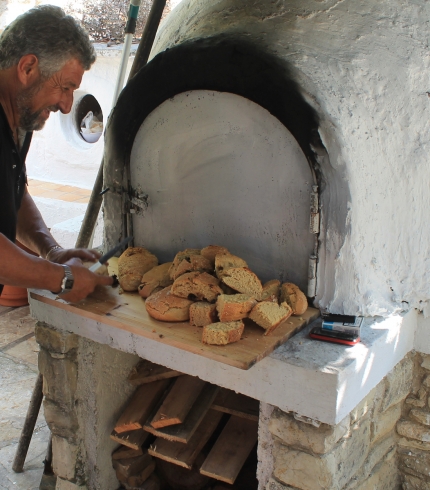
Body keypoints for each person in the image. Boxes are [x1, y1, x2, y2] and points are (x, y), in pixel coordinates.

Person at [0, 5, 113, 303]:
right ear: (27, 68)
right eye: (64, 87)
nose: (66, 105)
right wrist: (60, 278)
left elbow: (11, 191)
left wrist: (52, 251)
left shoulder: (17, 116)